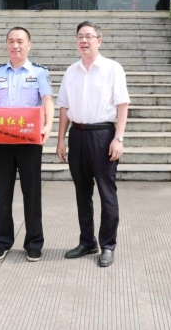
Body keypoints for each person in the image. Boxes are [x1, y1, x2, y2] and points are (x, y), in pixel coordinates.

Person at [56, 21, 130, 268]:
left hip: (103, 136)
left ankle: (108, 245)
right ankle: (87, 241)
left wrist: (118, 138)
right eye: (80, 36)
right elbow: (64, 108)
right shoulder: (71, 71)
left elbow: (122, 105)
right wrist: (61, 140)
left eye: (89, 36)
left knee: (107, 193)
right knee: (82, 192)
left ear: (99, 40)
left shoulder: (112, 68)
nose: (84, 41)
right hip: (77, 135)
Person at [0, 27, 54, 262]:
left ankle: (34, 242)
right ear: (6, 45)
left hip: (29, 142)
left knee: (32, 193)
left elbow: (47, 100)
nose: (15, 45)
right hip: (2, 141)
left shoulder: (39, 73)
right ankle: (1, 241)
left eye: (20, 41)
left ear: (29, 45)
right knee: (2, 194)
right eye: (11, 41)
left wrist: (49, 125)